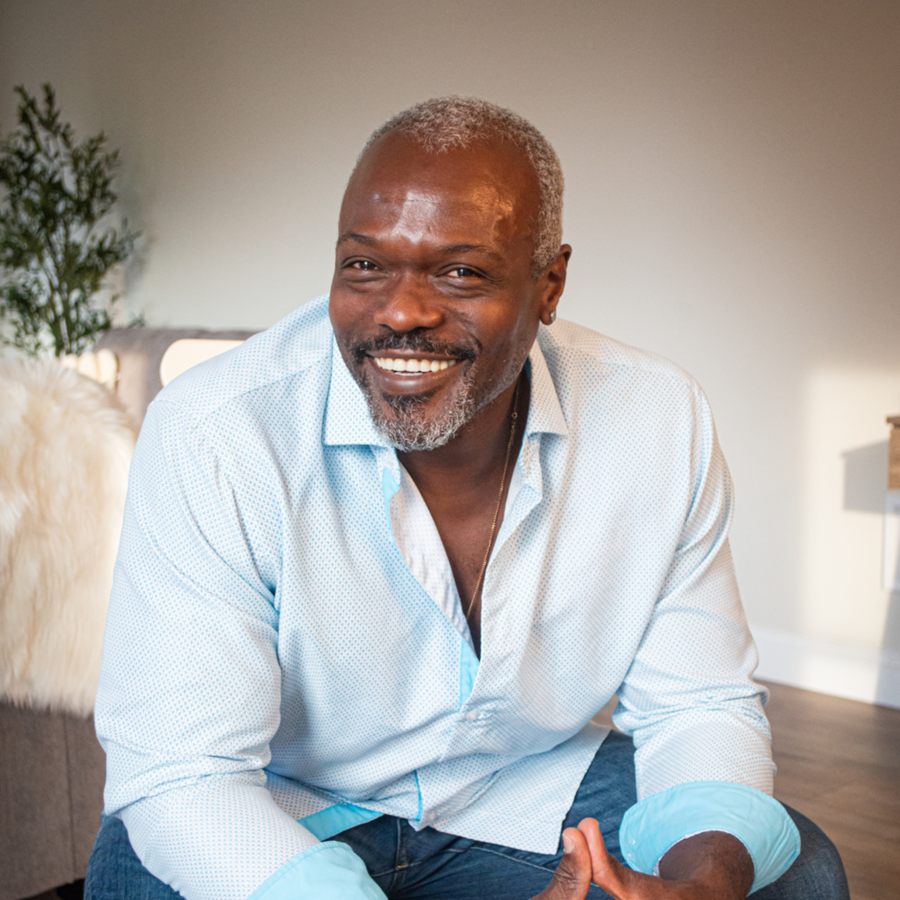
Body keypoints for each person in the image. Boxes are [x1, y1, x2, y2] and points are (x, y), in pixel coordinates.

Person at [85, 97, 848, 900]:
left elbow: (698, 703)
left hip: (517, 787)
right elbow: (186, 776)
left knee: (791, 875)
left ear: (550, 284)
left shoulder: (656, 420)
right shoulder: (217, 432)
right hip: (278, 805)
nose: (401, 313)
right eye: (365, 265)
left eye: (460, 272)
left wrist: (701, 891)